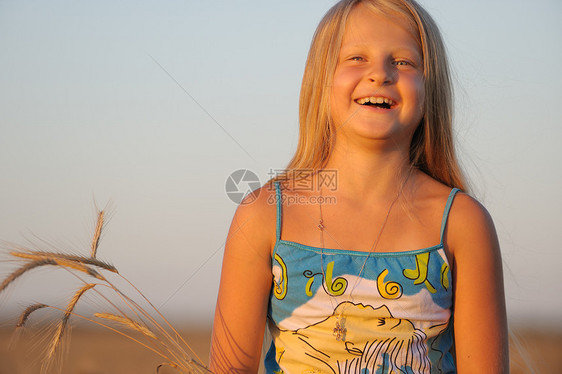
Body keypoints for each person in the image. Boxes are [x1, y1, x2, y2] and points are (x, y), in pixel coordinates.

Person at [210, 0, 508, 372]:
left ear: (431, 88)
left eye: (403, 62)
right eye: (356, 58)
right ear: (321, 81)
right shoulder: (264, 214)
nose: (380, 74)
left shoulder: (463, 223)